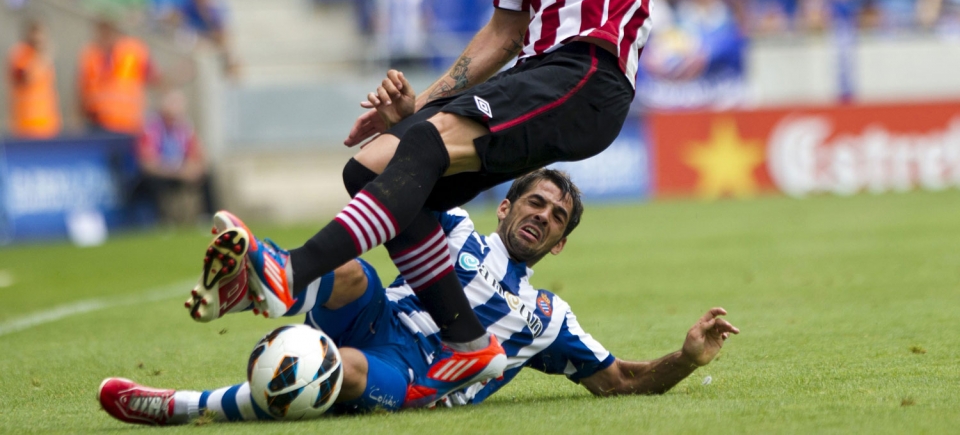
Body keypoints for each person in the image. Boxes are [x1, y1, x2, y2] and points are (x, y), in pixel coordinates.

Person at [188, 0, 911, 407]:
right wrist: (419, 106)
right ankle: (466, 342)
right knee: (374, 164)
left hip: (590, 72)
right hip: (537, 71)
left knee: (421, 150)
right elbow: (502, 34)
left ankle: (290, 271)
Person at [98, 169, 739, 424]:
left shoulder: (548, 319)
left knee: (337, 369)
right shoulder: (453, 227)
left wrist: (685, 358)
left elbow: (620, 380)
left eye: (556, 217)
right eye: (535, 202)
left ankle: (179, 407)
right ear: (506, 206)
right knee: (354, 271)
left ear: (560, 244)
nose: (543, 216)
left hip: (413, 371)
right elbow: (397, 176)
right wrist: (405, 114)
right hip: (376, 315)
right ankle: (257, 287)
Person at [132, 89, 216, 222]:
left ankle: (208, 216)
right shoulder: (151, 128)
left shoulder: (185, 127)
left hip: (180, 172)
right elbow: (148, 164)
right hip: (161, 175)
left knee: (206, 176)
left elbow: (200, 154)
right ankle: (162, 220)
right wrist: (177, 172)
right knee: (153, 183)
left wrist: (193, 169)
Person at [78, 18, 159, 134]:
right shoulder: (90, 53)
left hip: (129, 124)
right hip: (97, 122)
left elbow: (154, 77)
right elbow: (82, 89)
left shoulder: (134, 50)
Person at [6, 19, 61, 139]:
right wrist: (42, 59)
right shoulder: (20, 54)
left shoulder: (43, 58)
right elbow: (24, 77)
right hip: (25, 126)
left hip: (47, 126)